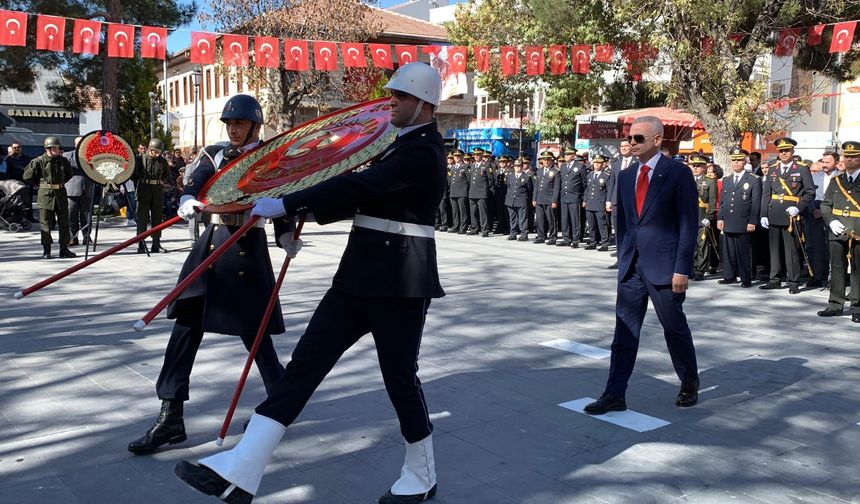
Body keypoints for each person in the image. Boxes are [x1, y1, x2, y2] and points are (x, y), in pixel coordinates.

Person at [173, 62, 446, 504]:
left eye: (399, 96)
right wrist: (296, 208)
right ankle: (243, 469)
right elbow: (356, 191)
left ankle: (422, 474)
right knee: (305, 364)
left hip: (401, 280)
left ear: (423, 103)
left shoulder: (423, 151)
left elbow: (362, 186)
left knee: (399, 378)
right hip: (359, 274)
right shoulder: (399, 145)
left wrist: (286, 204)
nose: (390, 101)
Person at [127, 95, 298, 455]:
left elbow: (280, 197)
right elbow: (195, 182)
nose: (233, 129)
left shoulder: (268, 157)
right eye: (229, 123)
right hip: (211, 244)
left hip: (247, 248)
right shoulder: (215, 154)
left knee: (257, 338)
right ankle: (170, 416)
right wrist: (187, 199)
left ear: (255, 125)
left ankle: (280, 407)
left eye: (240, 123)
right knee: (185, 327)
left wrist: (284, 233)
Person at [584, 116, 699, 415]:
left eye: (638, 138)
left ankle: (689, 382)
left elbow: (689, 224)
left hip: (664, 268)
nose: (631, 143)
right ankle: (614, 393)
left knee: (673, 328)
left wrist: (682, 269)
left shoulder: (677, 173)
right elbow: (625, 224)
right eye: (630, 138)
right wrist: (623, 257)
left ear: (657, 140)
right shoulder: (626, 176)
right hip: (632, 267)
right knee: (624, 332)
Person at [759, 137, 815, 294]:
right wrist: (764, 214)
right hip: (774, 212)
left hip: (792, 216)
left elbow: (810, 192)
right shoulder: (772, 169)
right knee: (774, 249)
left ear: (792, 151)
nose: (784, 153)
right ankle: (774, 279)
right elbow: (766, 194)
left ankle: (793, 281)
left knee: (792, 250)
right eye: (781, 151)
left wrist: (798, 207)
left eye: (787, 150)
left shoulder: (802, 169)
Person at [818, 141, 860, 323]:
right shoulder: (836, 181)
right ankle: (835, 304)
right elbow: (825, 204)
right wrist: (831, 221)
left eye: (854, 157)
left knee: (858, 270)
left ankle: (857, 307)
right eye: (847, 157)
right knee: (836, 269)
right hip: (837, 231)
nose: (849, 160)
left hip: (858, 231)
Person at [22, 137, 76, 259]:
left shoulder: (63, 161)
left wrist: (60, 184)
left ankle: (64, 249)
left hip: (61, 194)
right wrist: (40, 185)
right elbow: (27, 176)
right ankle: (47, 250)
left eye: (58, 148)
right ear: (48, 149)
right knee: (45, 224)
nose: (57, 150)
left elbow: (69, 175)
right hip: (45, 195)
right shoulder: (38, 161)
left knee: (64, 223)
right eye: (54, 148)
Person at [717, 147, 761, 287]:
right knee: (728, 251)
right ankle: (729, 275)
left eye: (739, 160)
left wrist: (752, 221)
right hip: (729, 220)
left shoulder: (753, 179)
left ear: (745, 161)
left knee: (743, 252)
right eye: (734, 160)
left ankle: (745, 277)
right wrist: (720, 218)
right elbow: (723, 201)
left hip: (743, 221)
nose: (736, 163)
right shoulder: (727, 179)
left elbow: (756, 203)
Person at [134, 139, 172, 253]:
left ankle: (156, 243)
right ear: (150, 149)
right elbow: (133, 175)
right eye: (155, 152)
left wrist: (166, 185)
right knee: (142, 218)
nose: (157, 154)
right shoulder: (140, 160)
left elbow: (167, 175)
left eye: (159, 152)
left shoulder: (162, 161)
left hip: (157, 190)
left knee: (157, 217)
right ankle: (141, 244)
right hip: (144, 189)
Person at [689, 155, 718, 280]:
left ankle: (699, 270)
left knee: (702, 244)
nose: (695, 168)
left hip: (702, 216)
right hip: (688, 216)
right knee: (690, 244)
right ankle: (690, 268)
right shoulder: (687, 179)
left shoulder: (710, 181)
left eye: (698, 166)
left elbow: (712, 201)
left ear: (704, 167)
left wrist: (709, 217)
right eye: (693, 166)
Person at [63, 136, 94, 246]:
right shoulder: (67, 155)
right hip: (72, 189)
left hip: (87, 188)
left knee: (87, 215)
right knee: (72, 214)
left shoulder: (91, 155)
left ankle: (87, 237)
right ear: (76, 144)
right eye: (80, 142)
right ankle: (73, 237)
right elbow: (67, 169)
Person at [582, 152, 612, 251]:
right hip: (590, 203)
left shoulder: (606, 175)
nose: (597, 165)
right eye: (595, 163)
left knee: (602, 224)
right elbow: (587, 188)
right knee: (591, 224)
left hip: (600, 203)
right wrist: (585, 199)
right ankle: (593, 242)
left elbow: (609, 190)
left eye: (599, 163)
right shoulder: (590, 175)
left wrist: (607, 202)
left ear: (603, 164)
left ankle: (604, 243)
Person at [558, 148, 586, 248]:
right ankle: (566, 238)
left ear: (574, 156)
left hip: (575, 196)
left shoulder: (580, 166)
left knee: (575, 219)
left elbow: (584, 184)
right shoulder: (563, 166)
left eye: (568, 154)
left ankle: (575, 239)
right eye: (565, 154)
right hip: (564, 196)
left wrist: (584, 198)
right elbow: (561, 182)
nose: (566, 156)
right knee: (565, 219)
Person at [532, 151, 560, 245]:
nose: (546, 161)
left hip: (549, 199)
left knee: (551, 219)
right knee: (540, 219)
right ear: (542, 161)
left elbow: (556, 187)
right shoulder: (539, 171)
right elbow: (536, 185)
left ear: (551, 160)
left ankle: (552, 237)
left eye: (548, 159)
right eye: (544, 159)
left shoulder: (555, 171)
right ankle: (541, 236)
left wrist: (554, 200)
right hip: (540, 199)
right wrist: (534, 198)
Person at [467, 148, 494, 236]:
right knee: (473, 212)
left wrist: (485, 189)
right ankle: (474, 228)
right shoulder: (472, 165)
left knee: (483, 212)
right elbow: (470, 179)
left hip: (482, 192)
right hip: (473, 192)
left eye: (478, 154)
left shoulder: (486, 165)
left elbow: (490, 180)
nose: (476, 156)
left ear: (482, 155)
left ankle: (485, 230)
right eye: (475, 155)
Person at [505, 157, 533, 241]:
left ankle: (524, 234)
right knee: (512, 218)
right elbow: (509, 186)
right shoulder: (510, 176)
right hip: (511, 200)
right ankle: (513, 233)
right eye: (516, 166)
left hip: (521, 200)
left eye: (519, 166)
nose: (517, 168)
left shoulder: (527, 177)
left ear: (522, 166)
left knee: (522, 218)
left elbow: (530, 189)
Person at [448, 149, 469, 234]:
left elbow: (469, 180)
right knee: (455, 211)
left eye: (458, 156)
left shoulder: (465, 167)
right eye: (455, 156)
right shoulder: (452, 167)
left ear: (462, 157)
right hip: (453, 191)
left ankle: (463, 228)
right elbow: (450, 180)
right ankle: (455, 226)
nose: (457, 157)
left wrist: (466, 190)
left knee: (462, 211)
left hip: (462, 192)